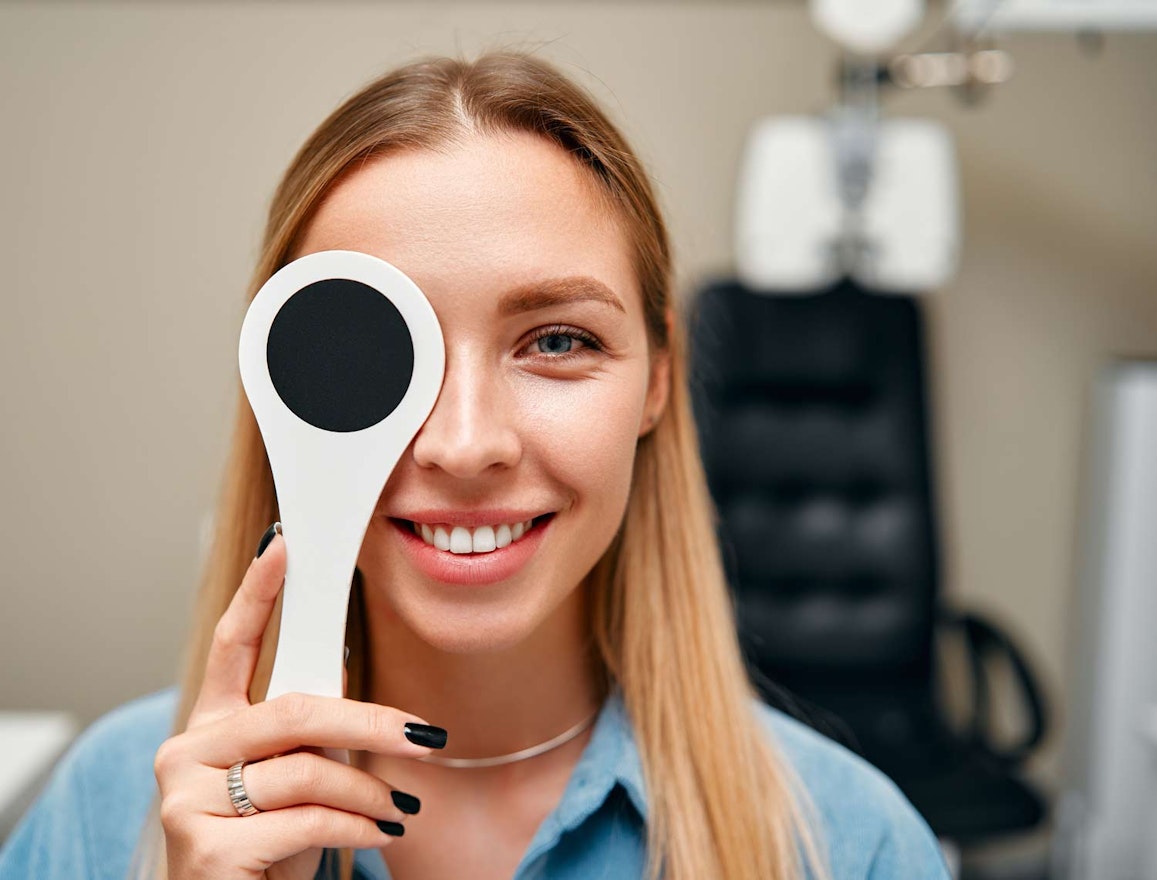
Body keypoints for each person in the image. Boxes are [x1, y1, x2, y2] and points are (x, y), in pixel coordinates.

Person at [0, 53, 950, 880]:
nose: (464, 443)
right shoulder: (108, 809)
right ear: (282, 382)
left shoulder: (849, 846)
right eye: (379, 354)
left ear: (659, 376)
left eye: (558, 340)